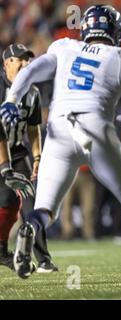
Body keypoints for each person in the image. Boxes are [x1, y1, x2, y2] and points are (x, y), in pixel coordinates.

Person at [0, 5, 121, 287]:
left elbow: (30, 71)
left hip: (58, 131)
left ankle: (30, 228)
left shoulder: (64, 47)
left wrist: (11, 101)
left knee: (46, 208)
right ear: (116, 32)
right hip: (95, 129)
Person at [0, 43, 48, 271]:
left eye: (28, 60)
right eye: (20, 59)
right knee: (7, 199)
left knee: (32, 202)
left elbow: (33, 128)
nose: (26, 64)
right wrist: (4, 167)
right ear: (6, 63)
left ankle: (43, 258)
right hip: (2, 150)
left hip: (17, 149)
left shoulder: (32, 92)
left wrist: (37, 157)